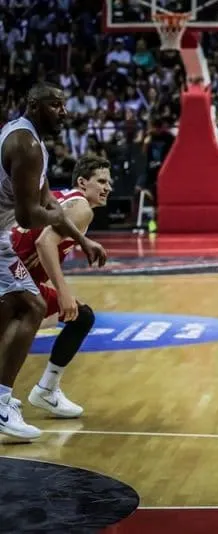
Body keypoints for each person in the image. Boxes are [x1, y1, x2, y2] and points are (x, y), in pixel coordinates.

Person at [0, 83, 106, 441]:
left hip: (3, 238)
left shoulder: (33, 144)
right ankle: (5, 401)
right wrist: (63, 291)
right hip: (5, 242)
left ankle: (31, 393)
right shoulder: (27, 146)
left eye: (64, 105)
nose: (64, 111)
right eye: (55, 105)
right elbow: (33, 221)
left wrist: (83, 241)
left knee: (14, 311)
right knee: (30, 305)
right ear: (34, 105)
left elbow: (50, 209)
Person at [9, 155, 112, 418]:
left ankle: (44, 390)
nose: (107, 187)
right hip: (11, 275)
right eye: (101, 181)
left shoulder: (64, 198)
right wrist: (63, 292)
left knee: (80, 316)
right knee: (66, 316)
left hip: (18, 275)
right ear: (82, 182)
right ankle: (32, 393)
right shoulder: (82, 209)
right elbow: (45, 242)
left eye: (109, 182)